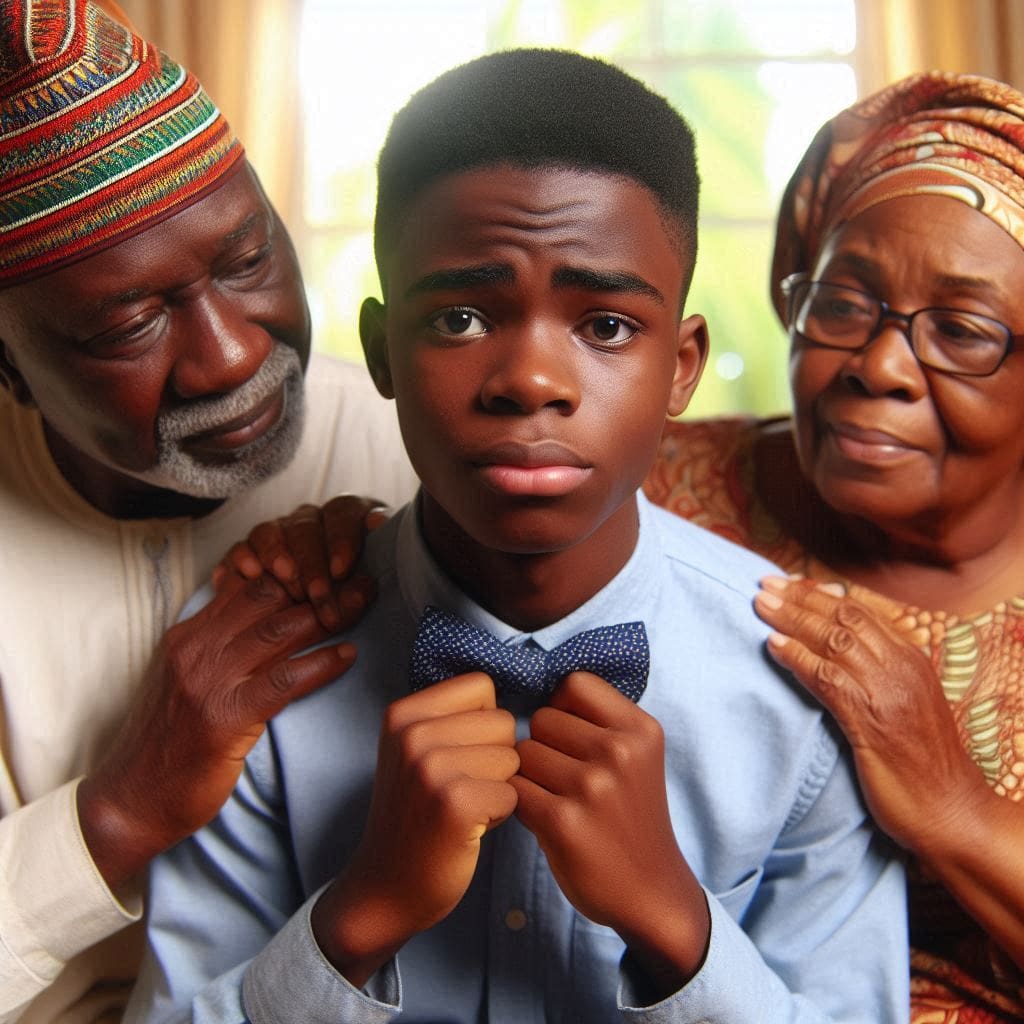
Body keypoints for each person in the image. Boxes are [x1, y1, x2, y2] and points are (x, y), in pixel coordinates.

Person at [127, 48, 907, 1024]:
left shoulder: (796, 688)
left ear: (682, 364)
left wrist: (676, 923)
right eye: (459, 316)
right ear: (381, 354)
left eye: (608, 325)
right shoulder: (256, 659)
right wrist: (364, 910)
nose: (530, 378)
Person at [0, 2, 417, 1021]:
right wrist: (122, 807)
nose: (232, 355)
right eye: (131, 321)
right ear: (9, 365)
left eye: (247, 261)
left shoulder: (414, 453)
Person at [643, 71, 1024, 1023]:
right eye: (843, 303)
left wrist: (955, 807)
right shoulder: (651, 484)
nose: (880, 368)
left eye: (963, 331)